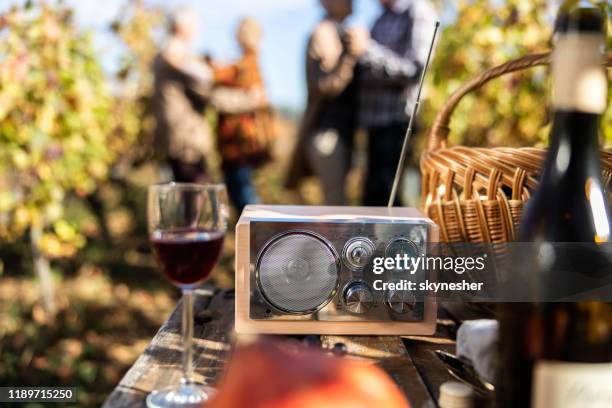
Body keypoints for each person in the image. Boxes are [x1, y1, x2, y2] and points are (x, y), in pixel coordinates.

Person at [152, 8, 265, 184]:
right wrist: (249, 100)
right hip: (186, 141)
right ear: (183, 27)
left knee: (187, 197)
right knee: (200, 198)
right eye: (195, 26)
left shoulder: (169, 53)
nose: (198, 30)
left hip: (177, 139)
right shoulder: (175, 56)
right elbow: (211, 94)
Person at [349, 0, 437, 206]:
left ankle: (401, 239)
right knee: (372, 198)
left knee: (391, 198)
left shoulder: (418, 11)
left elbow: (416, 69)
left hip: (397, 122)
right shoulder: (381, 18)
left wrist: (367, 49)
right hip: (375, 122)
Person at [285, 0, 368, 205]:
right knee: (336, 204)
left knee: (340, 201)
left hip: (341, 133)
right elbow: (324, 86)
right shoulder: (322, 35)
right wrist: (350, 56)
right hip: (327, 133)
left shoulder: (342, 33)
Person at [213, 18, 272, 213]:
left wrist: (211, 65)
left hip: (238, 144)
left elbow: (219, 78)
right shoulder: (252, 64)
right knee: (244, 194)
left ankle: (258, 240)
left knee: (245, 200)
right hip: (242, 144)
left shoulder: (244, 66)